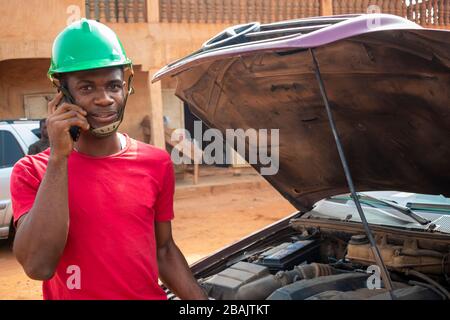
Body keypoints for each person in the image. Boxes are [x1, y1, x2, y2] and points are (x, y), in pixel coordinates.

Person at [10, 19, 207, 300]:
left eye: (114, 85)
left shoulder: (156, 162)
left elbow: (163, 250)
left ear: (126, 87)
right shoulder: (33, 171)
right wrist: (58, 158)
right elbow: (39, 266)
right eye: (87, 88)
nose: (105, 99)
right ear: (62, 93)